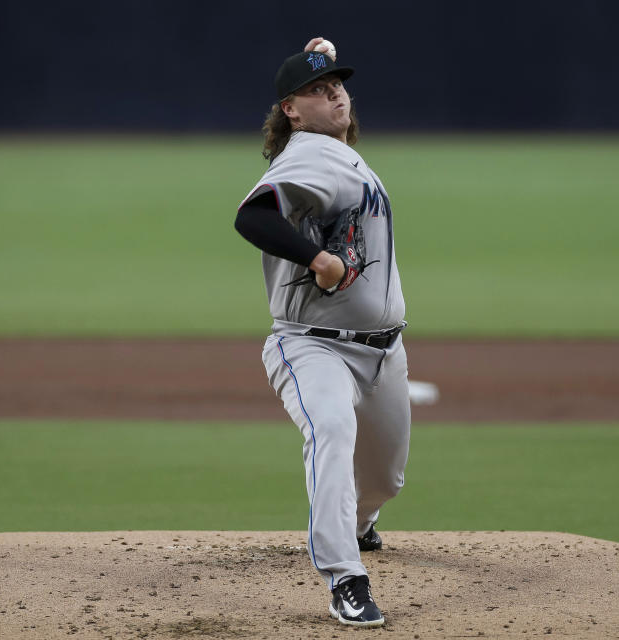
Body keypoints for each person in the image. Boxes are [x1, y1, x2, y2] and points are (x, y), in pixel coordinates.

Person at [234, 37, 410, 628]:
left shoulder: (340, 154)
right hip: (313, 345)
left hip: (384, 351)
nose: (335, 92)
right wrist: (318, 260)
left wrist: (317, 59)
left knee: (384, 479)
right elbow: (252, 216)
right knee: (332, 430)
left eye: (337, 83)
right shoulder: (309, 152)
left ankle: (360, 525)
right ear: (290, 110)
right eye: (317, 88)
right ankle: (345, 579)